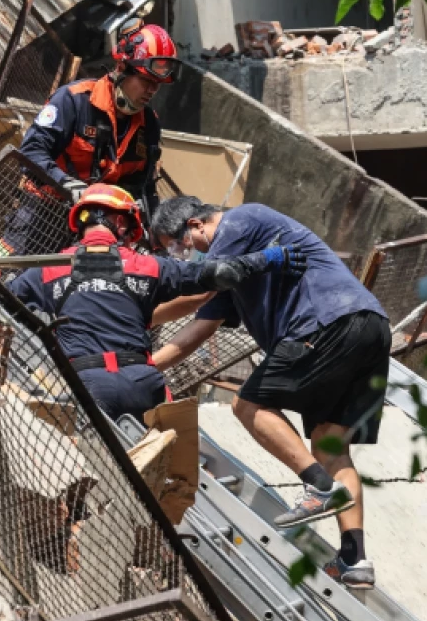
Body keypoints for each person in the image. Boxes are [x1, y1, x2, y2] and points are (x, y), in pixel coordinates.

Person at [150, 196, 391, 589]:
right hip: (369, 328)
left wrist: (135, 306)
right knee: (330, 446)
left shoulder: (241, 220)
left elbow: (197, 291)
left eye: (178, 245)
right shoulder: (232, 275)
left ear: (195, 225)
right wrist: (146, 366)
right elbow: (198, 329)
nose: (183, 255)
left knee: (247, 405)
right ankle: (355, 559)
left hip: (324, 322)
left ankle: (318, 487)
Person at [7, 184, 306, 422]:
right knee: (171, 481)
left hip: (88, 386)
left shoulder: (46, 270)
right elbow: (220, 273)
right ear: (120, 223)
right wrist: (270, 258)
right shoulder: (146, 265)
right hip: (147, 384)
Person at [0, 20, 178, 259]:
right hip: (42, 212)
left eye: (157, 85)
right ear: (122, 68)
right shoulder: (74, 101)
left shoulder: (149, 125)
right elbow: (30, 153)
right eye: (147, 81)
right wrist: (68, 185)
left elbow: (144, 188)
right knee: (2, 277)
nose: (152, 90)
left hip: (99, 227)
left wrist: (155, 238)